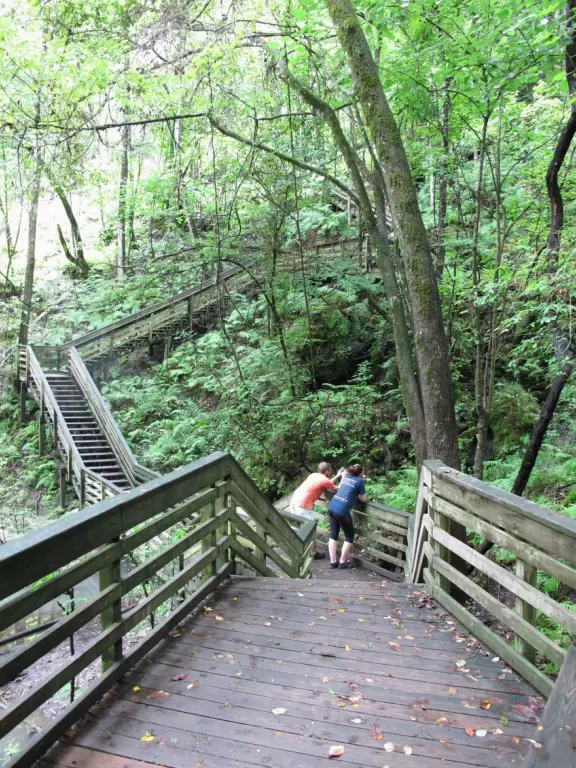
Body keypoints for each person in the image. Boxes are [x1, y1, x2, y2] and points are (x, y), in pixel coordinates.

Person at [290, 462, 344, 559]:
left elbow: (326, 483)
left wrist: (337, 475)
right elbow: (338, 489)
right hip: (303, 505)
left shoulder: (314, 475)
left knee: (298, 529)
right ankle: (313, 553)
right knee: (310, 530)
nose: (330, 471)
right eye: (330, 470)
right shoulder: (324, 480)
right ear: (327, 471)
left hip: (295, 501)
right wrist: (343, 477)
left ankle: (297, 551)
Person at [327, 463, 366, 569]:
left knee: (333, 534)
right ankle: (342, 562)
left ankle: (333, 562)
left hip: (332, 506)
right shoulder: (359, 482)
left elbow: (341, 488)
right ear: (360, 473)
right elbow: (363, 499)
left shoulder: (346, 477)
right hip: (342, 510)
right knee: (349, 536)